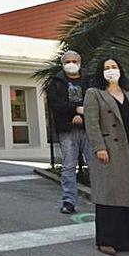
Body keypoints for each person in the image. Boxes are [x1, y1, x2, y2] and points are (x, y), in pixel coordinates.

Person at [84, 57, 129, 256]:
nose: (111, 70)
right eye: (106, 68)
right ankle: (107, 240)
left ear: (120, 70)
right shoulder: (94, 93)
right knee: (110, 193)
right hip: (110, 149)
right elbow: (92, 123)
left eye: (114, 67)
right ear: (101, 72)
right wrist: (99, 147)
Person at [46, 50, 92, 214]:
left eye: (74, 61)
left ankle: (102, 200)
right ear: (63, 64)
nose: (71, 64)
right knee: (68, 167)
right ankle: (69, 201)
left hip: (89, 129)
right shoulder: (56, 82)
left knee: (96, 165)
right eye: (67, 61)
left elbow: (95, 102)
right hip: (67, 129)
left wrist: (84, 117)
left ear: (80, 63)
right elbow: (55, 103)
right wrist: (75, 111)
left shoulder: (89, 80)